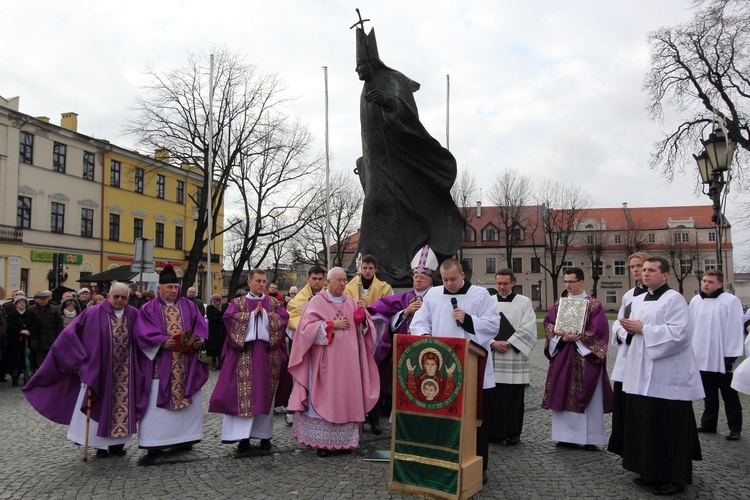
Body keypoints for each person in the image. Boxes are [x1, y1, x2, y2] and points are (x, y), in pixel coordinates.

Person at [349, 22, 463, 284]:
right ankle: (371, 264)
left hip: (398, 163)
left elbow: (410, 116)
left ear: (372, 61)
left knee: (383, 205)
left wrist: (389, 102)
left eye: (360, 65)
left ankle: (394, 264)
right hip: (376, 162)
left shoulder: (392, 80)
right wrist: (364, 162)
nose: (357, 70)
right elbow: (369, 135)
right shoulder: (364, 89)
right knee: (375, 208)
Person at [23, 282, 151, 457]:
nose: (120, 300)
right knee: (99, 405)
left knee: (123, 407)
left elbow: (145, 335)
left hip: (125, 372)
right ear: (108, 296)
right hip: (100, 370)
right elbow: (68, 336)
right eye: (116, 296)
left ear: (128, 298)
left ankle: (118, 445)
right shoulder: (92, 313)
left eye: (123, 297)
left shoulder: (134, 315)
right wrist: (80, 361)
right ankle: (99, 446)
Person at [617, 257, 703, 496]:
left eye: (651, 270)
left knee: (669, 428)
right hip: (641, 374)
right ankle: (649, 471)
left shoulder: (674, 299)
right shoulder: (640, 299)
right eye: (643, 270)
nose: (645, 274)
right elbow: (625, 328)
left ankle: (675, 478)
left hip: (667, 377)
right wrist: (627, 331)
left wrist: (643, 329)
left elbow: (680, 334)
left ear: (665, 275)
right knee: (647, 424)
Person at [409, 258, 500, 484]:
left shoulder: (480, 295)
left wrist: (468, 320)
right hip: (441, 369)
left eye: (453, 279)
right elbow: (419, 322)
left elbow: (493, 325)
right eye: (445, 279)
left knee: (476, 420)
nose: (448, 283)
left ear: (463, 275)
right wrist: (425, 338)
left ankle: (478, 466)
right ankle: (444, 462)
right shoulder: (433, 295)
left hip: (473, 367)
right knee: (444, 417)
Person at [287, 267, 379, 457]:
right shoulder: (317, 303)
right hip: (325, 363)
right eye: (338, 280)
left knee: (346, 398)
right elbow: (305, 330)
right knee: (326, 398)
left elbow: (365, 329)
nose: (343, 284)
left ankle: (345, 443)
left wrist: (363, 317)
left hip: (349, 364)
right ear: (328, 282)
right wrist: (331, 325)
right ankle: (323, 443)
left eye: (345, 280)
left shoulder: (352, 302)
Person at [209, 269, 290, 452]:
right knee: (242, 397)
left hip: (267, 360)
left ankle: (264, 437)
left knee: (264, 396)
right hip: (243, 359)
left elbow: (283, 321)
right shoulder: (237, 302)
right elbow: (229, 322)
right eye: (258, 281)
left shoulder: (275, 303)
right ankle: (242, 439)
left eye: (264, 281)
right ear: (249, 282)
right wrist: (253, 316)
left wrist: (266, 317)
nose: (262, 284)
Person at [134, 264, 209, 455]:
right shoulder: (148, 308)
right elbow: (141, 333)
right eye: (169, 287)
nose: (174, 291)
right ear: (159, 289)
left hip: (186, 364)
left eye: (176, 287)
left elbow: (200, 326)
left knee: (187, 399)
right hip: (161, 364)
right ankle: (155, 441)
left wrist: (199, 341)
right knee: (157, 403)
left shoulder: (189, 305)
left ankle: (185, 439)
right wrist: (160, 343)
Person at [542, 268, 612, 451]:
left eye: (571, 281)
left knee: (588, 394)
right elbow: (549, 324)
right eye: (565, 281)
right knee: (562, 391)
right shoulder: (559, 304)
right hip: (564, 355)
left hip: (585, 358)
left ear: (581, 282)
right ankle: (564, 436)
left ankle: (590, 438)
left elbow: (600, 331)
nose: (567, 285)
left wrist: (581, 337)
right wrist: (562, 338)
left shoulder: (594, 305)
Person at [368, 245, 437, 413]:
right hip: (406, 350)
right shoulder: (404, 298)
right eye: (415, 276)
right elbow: (383, 317)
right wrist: (404, 313)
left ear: (430, 280)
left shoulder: (437, 298)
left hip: (431, 350)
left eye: (421, 277)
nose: (418, 280)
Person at [689, 269, 744, 440]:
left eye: (710, 282)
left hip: (722, 357)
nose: (705, 284)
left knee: (729, 394)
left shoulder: (730, 301)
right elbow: (690, 327)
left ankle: (735, 428)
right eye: (704, 281)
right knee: (708, 393)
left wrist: (731, 355)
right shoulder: (696, 300)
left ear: (719, 284)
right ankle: (709, 423)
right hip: (701, 356)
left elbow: (735, 328)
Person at [486, 268, 537, 446]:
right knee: (493, 397)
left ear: (513, 283)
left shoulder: (524, 302)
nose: (501, 287)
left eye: (505, 283)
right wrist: (492, 342)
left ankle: (513, 432)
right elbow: (481, 325)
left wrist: (508, 343)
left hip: (514, 356)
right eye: (498, 283)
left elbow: (528, 327)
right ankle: (494, 433)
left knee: (514, 398)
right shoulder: (488, 301)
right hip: (493, 357)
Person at [344, 254, 392, 435]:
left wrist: (369, 308)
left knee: (373, 379)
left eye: (371, 268)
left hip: (376, 337)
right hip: (355, 337)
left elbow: (388, 308)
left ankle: (374, 419)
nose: (367, 271)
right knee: (356, 379)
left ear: (375, 269)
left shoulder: (384, 287)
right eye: (365, 268)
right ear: (360, 268)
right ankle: (357, 418)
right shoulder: (349, 287)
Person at [607, 251, 649, 456]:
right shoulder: (629, 294)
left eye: (639, 266)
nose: (636, 270)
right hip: (628, 350)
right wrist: (623, 333)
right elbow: (619, 321)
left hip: (646, 352)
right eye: (632, 267)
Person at [28, 290, 63, 370]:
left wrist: (58, 336)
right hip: (37, 339)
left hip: (50, 338)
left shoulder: (54, 310)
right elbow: (29, 324)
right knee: (39, 361)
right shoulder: (31, 310)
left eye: (45, 299)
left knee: (50, 360)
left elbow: (59, 324)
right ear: (36, 300)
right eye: (41, 299)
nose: (43, 301)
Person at [5, 295, 34, 386]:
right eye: (20, 302)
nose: (22, 304)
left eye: (24, 302)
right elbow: (9, 326)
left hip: (27, 340)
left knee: (27, 360)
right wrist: (20, 331)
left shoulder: (30, 314)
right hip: (15, 341)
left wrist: (29, 331)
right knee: (15, 361)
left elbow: (35, 324)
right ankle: (15, 379)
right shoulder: (11, 315)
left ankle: (26, 379)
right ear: (16, 304)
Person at [205, 294, 228, 370]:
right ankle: (214, 363)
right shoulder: (209, 308)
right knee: (213, 348)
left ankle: (221, 363)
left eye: (217, 301)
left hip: (222, 331)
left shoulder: (225, 307)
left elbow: (227, 316)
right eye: (214, 301)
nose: (216, 303)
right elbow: (211, 317)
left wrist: (220, 318)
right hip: (213, 331)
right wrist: (221, 319)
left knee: (221, 348)